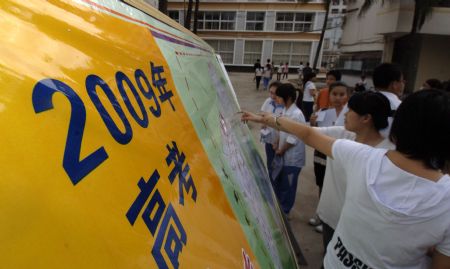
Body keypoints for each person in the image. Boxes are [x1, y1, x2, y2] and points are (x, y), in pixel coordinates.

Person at [241, 89, 450, 268]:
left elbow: (307, 135)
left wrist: (270, 119)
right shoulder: (444, 198)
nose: (346, 114)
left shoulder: (362, 156)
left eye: (351, 110)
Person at [316, 91, 394, 256]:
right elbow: (306, 132)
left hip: (360, 230)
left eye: (350, 110)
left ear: (366, 118)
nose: (345, 114)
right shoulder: (342, 134)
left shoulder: (389, 154)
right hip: (331, 217)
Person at [309, 81, 348, 232]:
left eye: (342, 94)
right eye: (335, 94)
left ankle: (333, 221)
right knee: (321, 185)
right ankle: (321, 214)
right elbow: (315, 132)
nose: (338, 98)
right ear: (329, 95)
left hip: (340, 156)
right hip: (322, 155)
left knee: (337, 187)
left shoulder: (350, 114)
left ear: (347, 95)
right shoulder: (322, 112)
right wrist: (313, 123)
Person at [272, 83, 306, 216]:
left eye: (279, 96)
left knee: (288, 186)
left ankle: (285, 211)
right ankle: (281, 208)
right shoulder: (285, 111)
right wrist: (276, 143)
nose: (277, 99)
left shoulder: (296, 114)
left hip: (292, 158)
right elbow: (281, 130)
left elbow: (294, 137)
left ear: (288, 97)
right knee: (281, 183)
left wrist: (282, 149)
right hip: (283, 154)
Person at [373, 63, 404, 137]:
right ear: (394, 84)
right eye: (402, 81)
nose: (403, 84)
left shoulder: (357, 102)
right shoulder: (403, 107)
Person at [260, 81, 284, 180]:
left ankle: (277, 181)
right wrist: (263, 122)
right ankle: (271, 181)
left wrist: (278, 142)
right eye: (271, 92)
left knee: (279, 163)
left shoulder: (285, 105)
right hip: (269, 138)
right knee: (270, 161)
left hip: (280, 141)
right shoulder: (268, 101)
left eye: (275, 93)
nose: (272, 96)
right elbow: (262, 113)